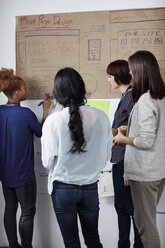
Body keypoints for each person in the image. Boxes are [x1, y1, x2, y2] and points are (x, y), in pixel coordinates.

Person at [41, 67, 113, 248]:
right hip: (90, 187)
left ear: (58, 93)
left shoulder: (54, 121)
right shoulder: (102, 117)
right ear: (82, 89)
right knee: (93, 239)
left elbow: (47, 162)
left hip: (63, 189)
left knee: (71, 242)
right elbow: (106, 156)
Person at [113, 50, 165, 248]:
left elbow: (145, 141)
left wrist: (123, 138)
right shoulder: (161, 96)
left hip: (145, 173)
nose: (131, 75)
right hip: (158, 170)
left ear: (141, 72)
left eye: (133, 71)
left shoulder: (145, 100)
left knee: (145, 227)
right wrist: (130, 129)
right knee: (149, 220)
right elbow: (157, 132)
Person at [0, 68, 51, 248]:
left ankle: (13, 245)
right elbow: (42, 133)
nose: (26, 91)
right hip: (24, 174)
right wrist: (46, 110)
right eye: (24, 88)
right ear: (16, 92)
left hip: (5, 173)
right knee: (27, 212)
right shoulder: (25, 114)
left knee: (10, 209)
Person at [107, 60, 143, 248]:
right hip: (118, 160)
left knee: (131, 210)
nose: (108, 80)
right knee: (121, 208)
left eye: (110, 76)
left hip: (125, 163)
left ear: (119, 77)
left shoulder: (131, 97)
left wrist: (129, 169)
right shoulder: (126, 97)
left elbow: (137, 132)